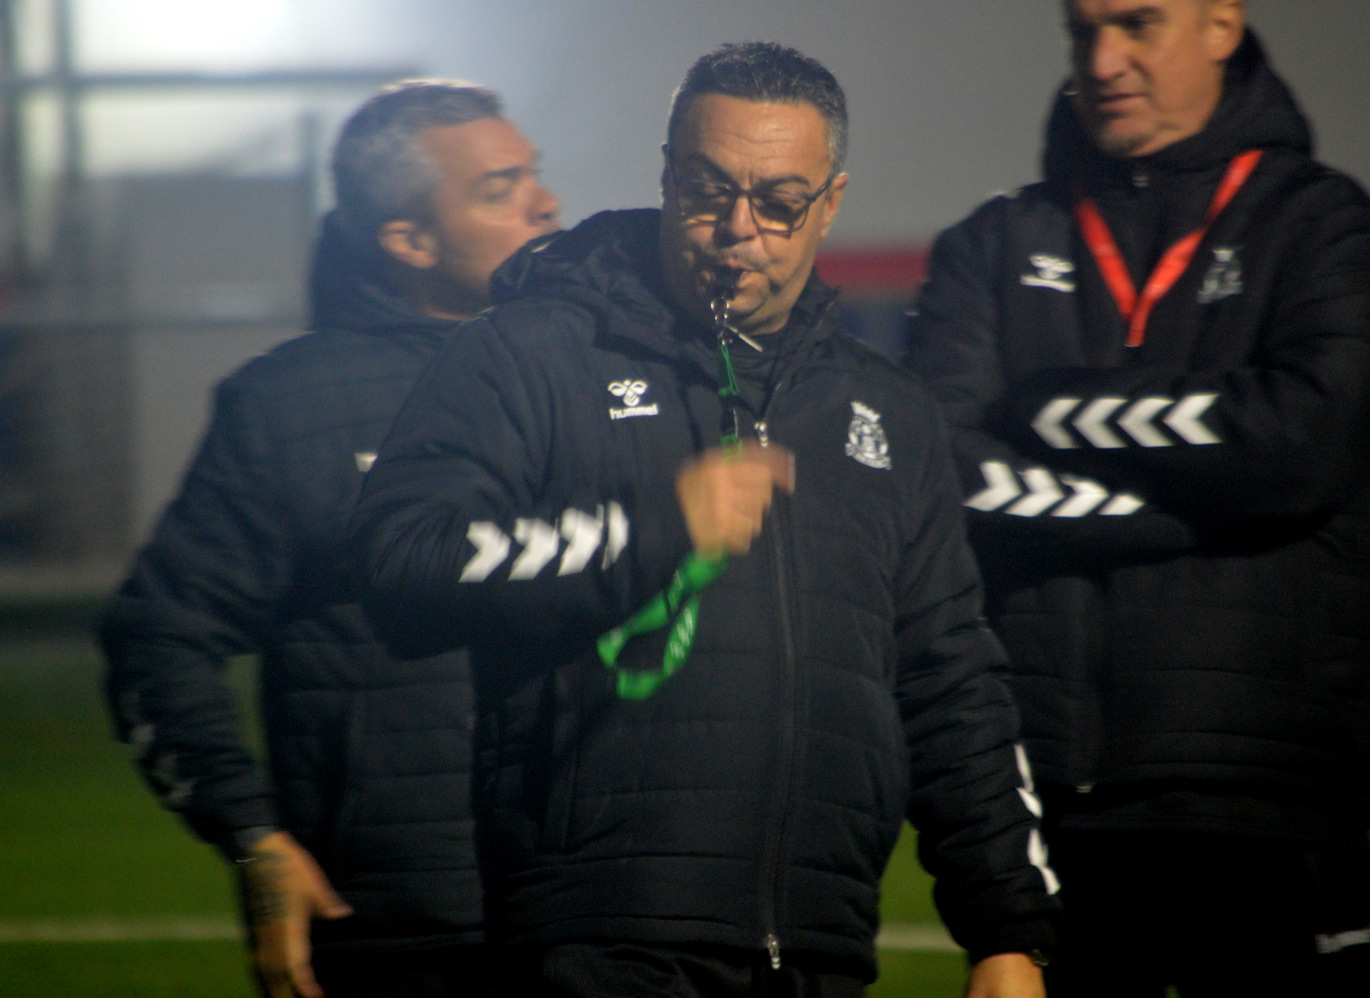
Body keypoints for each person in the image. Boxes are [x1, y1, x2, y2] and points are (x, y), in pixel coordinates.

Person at [352, 42, 1058, 998]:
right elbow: (402, 565)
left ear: (830, 205)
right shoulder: (532, 352)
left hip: (820, 948)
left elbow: (949, 679)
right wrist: (650, 531)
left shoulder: (887, 411)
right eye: (706, 188)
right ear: (665, 173)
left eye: (778, 202)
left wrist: (1006, 933)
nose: (737, 228)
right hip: (599, 940)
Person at [906, 1, 1370, 995]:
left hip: (1268, 800)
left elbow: (1307, 436)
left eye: (1138, 24)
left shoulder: (1323, 220)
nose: (1103, 59)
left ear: (1223, 22)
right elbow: (940, 473)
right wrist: (1199, 505)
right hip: (1051, 799)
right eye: (1081, 30)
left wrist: (1048, 409)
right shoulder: (994, 242)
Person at [100, 79, 559, 998]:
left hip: (599, 914)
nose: (545, 203)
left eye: (535, 176)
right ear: (409, 240)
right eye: (499, 188)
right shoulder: (289, 408)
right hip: (398, 932)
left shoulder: (596, 381)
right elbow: (159, 639)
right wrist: (252, 834)